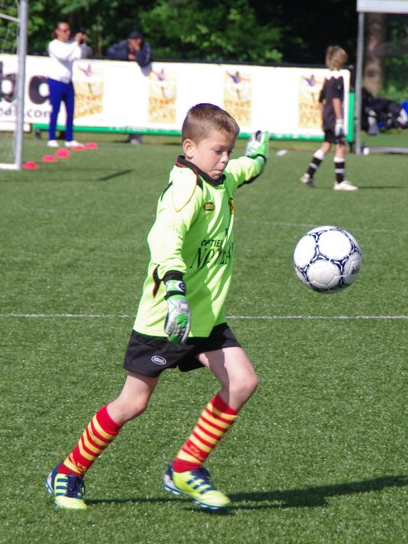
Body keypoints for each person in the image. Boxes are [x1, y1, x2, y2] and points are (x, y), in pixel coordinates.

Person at [45, 104, 270, 511]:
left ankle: (185, 467)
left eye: (229, 151)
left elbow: (244, 170)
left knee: (242, 382)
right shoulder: (185, 191)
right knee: (132, 403)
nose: (225, 159)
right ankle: (69, 471)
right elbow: (164, 241)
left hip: (206, 318)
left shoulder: (222, 179)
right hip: (167, 318)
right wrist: (176, 292)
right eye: (218, 151)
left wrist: (258, 154)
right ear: (190, 148)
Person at [300, 45, 357, 191]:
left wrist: (323, 117)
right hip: (334, 118)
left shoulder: (327, 78)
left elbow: (321, 100)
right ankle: (339, 182)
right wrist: (339, 119)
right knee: (341, 146)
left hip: (327, 117)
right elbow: (336, 99)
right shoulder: (338, 78)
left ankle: (308, 174)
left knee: (326, 146)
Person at [46, 21, 86, 148]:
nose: (67, 33)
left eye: (68, 30)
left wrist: (79, 43)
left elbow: (78, 55)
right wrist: (75, 43)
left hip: (68, 81)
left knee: (70, 111)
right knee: (55, 110)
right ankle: (51, 138)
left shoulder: (70, 45)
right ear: (57, 32)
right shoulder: (54, 44)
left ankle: (69, 138)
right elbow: (63, 56)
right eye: (64, 31)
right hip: (55, 81)